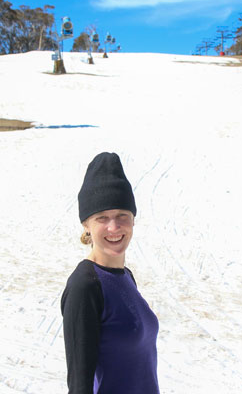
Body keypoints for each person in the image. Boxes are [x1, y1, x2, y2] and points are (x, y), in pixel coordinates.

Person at [61, 152, 160, 394]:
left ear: (133, 219)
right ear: (86, 224)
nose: (114, 227)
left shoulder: (125, 276)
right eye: (102, 218)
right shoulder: (85, 286)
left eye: (122, 216)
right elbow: (79, 385)